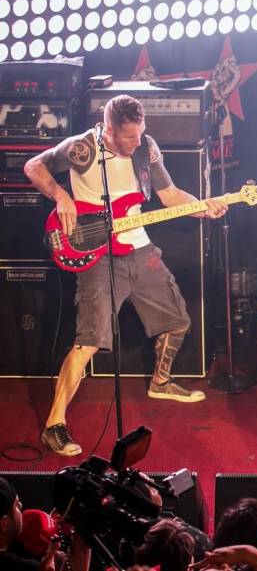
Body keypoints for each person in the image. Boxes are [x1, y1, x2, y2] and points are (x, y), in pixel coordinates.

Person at [24, 94, 228, 457]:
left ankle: (161, 382)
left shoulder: (146, 149)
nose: (137, 142)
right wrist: (61, 196)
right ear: (109, 129)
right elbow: (33, 166)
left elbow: (170, 195)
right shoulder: (83, 149)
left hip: (139, 248)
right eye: (128, 137)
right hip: (97, 253)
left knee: (178, 319)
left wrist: (204, 208)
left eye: (140, 133)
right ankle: (54, 424)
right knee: (88, 342)